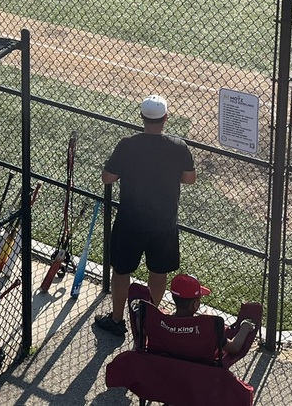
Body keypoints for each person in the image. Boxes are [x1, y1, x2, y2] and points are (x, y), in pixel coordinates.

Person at [93, 94, 196, 340]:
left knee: (122, 271)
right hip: (163, 223)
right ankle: (151, 321)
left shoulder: (127, 145)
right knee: (158, 272)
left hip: (130, 221)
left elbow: (107, 178)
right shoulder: (178, 146)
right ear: (166, 118)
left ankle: (117, 320)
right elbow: (190, 178)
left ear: (142, 118)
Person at [167, 273, 256, 358]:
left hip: (169, 365)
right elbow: (234, 347)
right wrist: (245, 326)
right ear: (195, 304)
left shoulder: (163, 321)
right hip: (199, 369)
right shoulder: (208, 327)